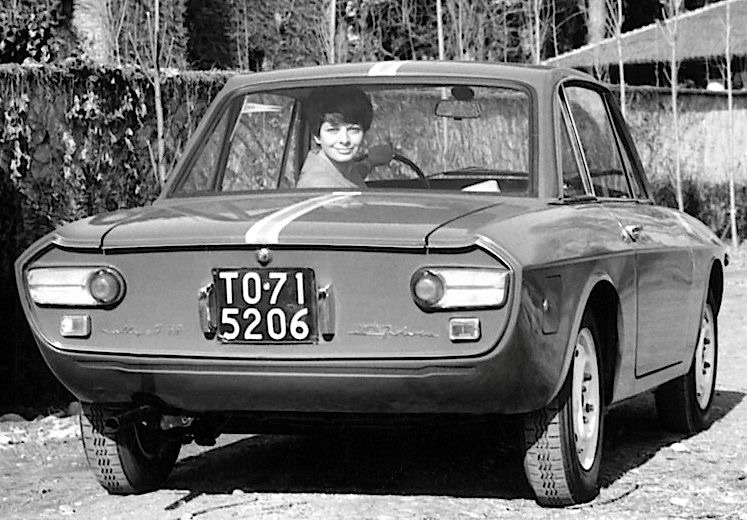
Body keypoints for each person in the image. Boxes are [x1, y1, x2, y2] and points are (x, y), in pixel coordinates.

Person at [296, 86, 374, 188]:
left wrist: (371, 162)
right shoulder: (321, 185)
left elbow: (351, 175)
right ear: (317, 136)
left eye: (353, 130)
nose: (345, 140)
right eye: (333, 130)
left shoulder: (334, 167)